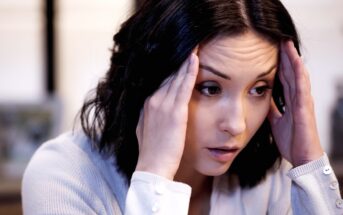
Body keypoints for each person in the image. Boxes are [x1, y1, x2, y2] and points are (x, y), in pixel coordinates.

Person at [22, 0, 343, 214]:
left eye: (259, 89)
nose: (238, 124)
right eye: (210, 88)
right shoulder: (64, 175)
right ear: (150, 82)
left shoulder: (274, 179)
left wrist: (309, 164)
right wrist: (156, 180)